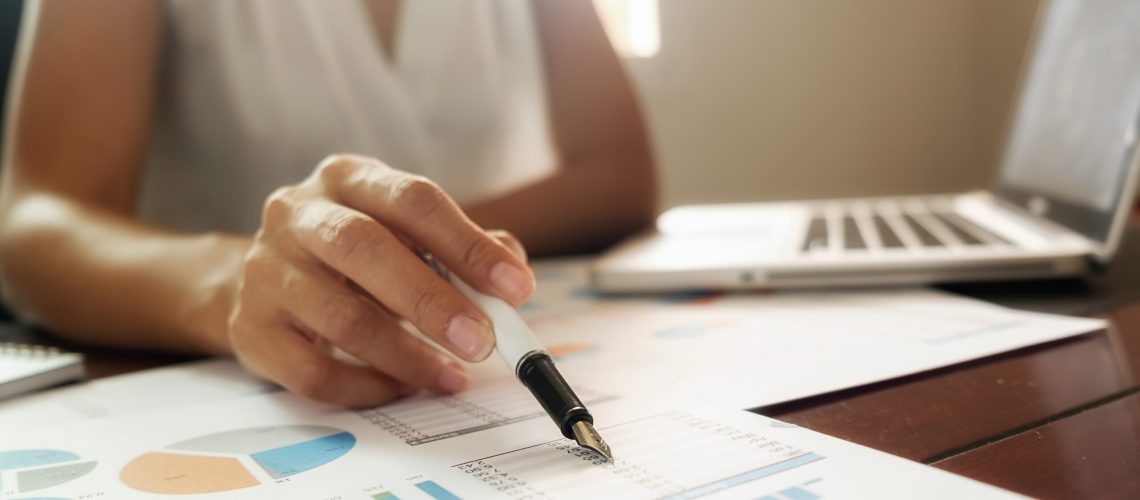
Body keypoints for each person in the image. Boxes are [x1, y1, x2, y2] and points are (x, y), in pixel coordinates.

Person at [0, 0, 656, 407]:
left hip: (470, 356)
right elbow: (30, 224)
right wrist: (236, 280)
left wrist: (408, 254)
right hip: (209, 375)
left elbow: (617, 174)